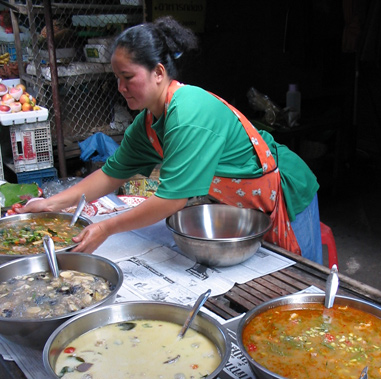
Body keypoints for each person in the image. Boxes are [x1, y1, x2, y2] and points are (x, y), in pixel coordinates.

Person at [17, 16, 323, 263]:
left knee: (301, 282)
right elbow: (110, 175)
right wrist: (49, 203)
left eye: (128, 77)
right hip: (247, 205)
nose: (121, 87)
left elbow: (172, 199)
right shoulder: (147, 124)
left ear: (158, 72)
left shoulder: (188, 111)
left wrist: (106, 227)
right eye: (116, 78)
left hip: (287, 192)